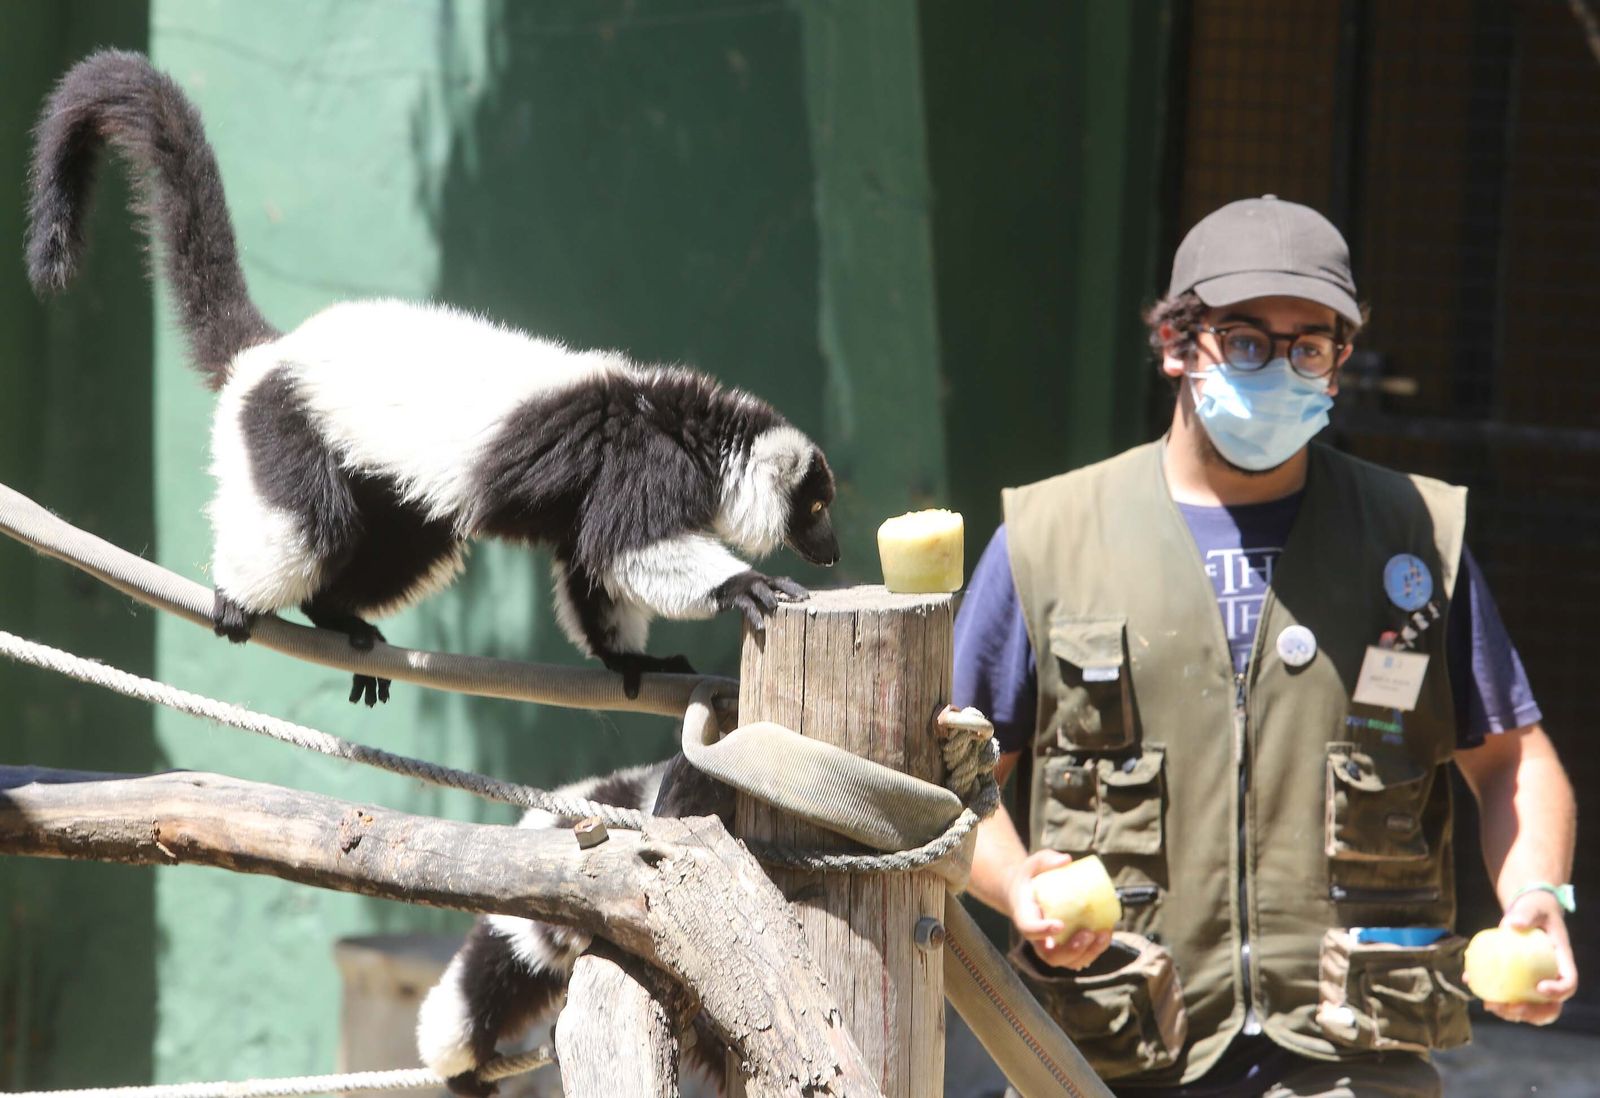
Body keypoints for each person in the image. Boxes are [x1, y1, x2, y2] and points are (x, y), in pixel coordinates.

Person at [954, 195, 1578, 1097]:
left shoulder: (1411, 533)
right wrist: (1019, 887)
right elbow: (949, 783)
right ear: (1176, 345)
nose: (1278, 368)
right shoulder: (1051, 538)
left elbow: (1513, 760)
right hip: (1110, 1046)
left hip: (1354, 1050)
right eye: (1245, 341)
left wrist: (1535, 901)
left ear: (1338, 366)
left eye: (1309, 347)